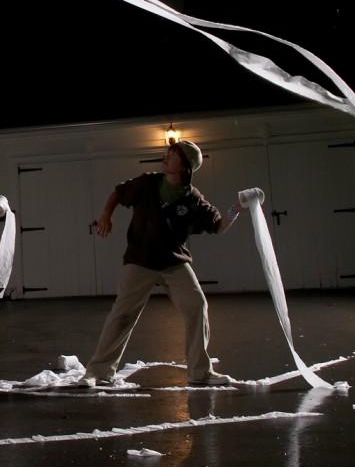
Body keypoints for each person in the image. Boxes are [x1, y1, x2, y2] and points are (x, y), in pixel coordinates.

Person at [82, 139, 240, 387]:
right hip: (140, 259)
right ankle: (98, 372)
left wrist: (237, 207)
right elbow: (119, 192)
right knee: (122, 314)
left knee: (196, 305)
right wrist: (105, 215)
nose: (165, 158)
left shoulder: (192, 199)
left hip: (173, 262)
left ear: (185, 165)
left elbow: (218, 225)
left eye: (172, 155)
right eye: (167, 153)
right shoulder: (148, 183)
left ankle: (200, 372)